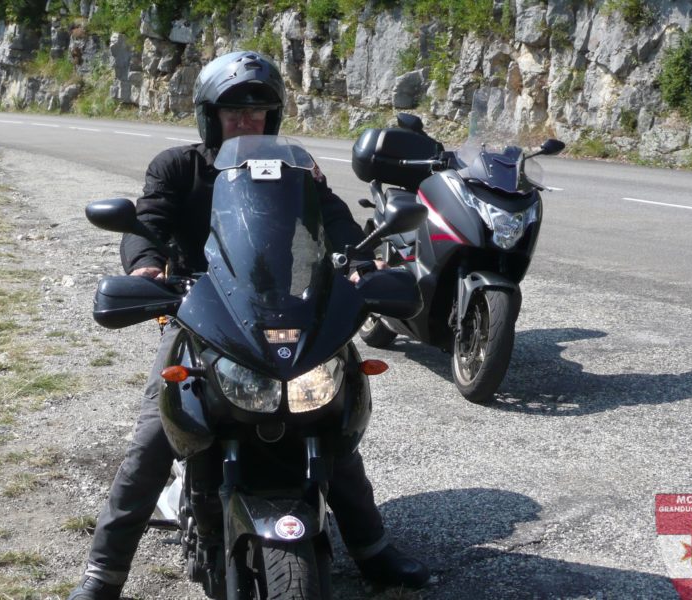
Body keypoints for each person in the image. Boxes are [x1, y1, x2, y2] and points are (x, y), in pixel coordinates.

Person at [69, 51, 430, 600]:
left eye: (258, 111)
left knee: (331, 421)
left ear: (273, 117)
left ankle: (373, 551)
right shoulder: (177, 167)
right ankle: (104, 574)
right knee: (155, 438)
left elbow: (330, 219)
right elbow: (148, 222)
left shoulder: (295, 168)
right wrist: (146, 265)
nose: (246, 120)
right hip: (203, 313)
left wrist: (360, 261)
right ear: (209, 115)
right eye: (234, 111)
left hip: (287, 312)